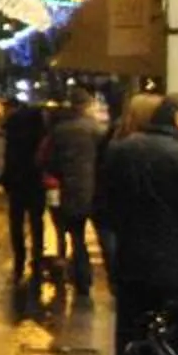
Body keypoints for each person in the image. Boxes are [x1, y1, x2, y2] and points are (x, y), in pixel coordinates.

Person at [98, 93, 178, 355]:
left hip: (132, 262)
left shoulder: (120, 150)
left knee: (131, 334)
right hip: (174, 268)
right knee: (170, 340)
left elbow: (106, 208)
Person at [45, 94, 109, 297]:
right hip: (98, 192)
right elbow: (108, 159)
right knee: (106, 239)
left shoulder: (59, 132)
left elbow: (49, 162)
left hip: (71, 192)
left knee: (77, 238)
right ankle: (115, 281)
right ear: (87, 107)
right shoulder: (98, 131)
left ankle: (83, 280)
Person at [0, 93, 53, 286]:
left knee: (17, 223)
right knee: (36, 221)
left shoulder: (13, 132)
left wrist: (6, 180)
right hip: (36, 182)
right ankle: (37, 257)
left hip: (18, 184)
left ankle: (19, 261)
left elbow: (9, 159)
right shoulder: (38, 132)